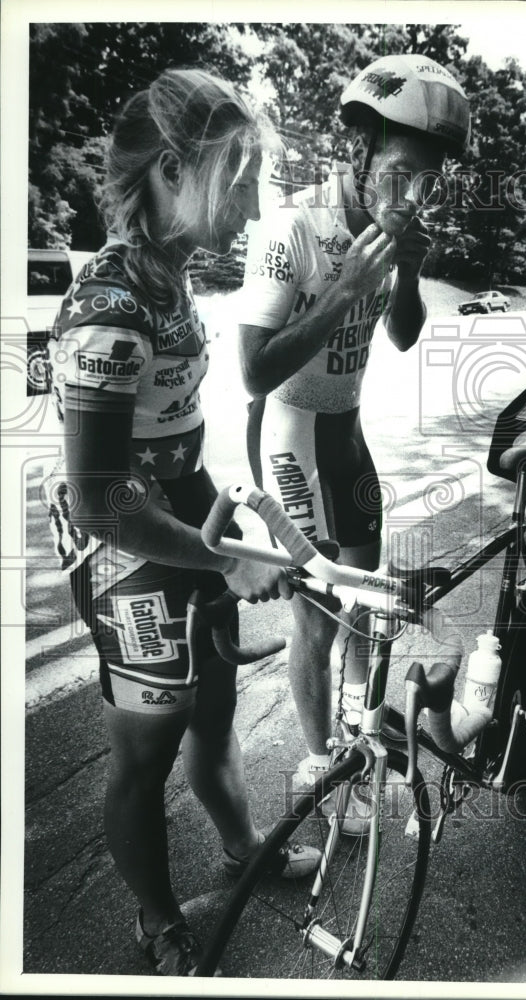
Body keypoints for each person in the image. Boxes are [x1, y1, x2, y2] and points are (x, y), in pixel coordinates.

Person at [44, 68, 320, 978]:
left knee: (214, 708)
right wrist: (224, 560)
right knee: (147, 750)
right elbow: (100, 498)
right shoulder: (110, 311)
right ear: (174, 168)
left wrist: (245, 526)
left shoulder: (167, 285)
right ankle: (156, 918)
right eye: (238, 177)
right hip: (123, 554)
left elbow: (176, 455)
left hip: (180, 533)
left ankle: (243, 848)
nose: (250, 206)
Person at [238, 54, 470, 811]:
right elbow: (254, 372)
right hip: (288, 431)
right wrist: (342, 292)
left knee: (366, 609)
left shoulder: (391, 226)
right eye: (401, 173)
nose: (413, 195)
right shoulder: (291, 227)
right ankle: (317, 766)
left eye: (428, 181)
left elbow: (401, 335)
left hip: (347, 431)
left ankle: (357, 732)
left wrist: (404, 273)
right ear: (357, 148)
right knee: (315, 613)